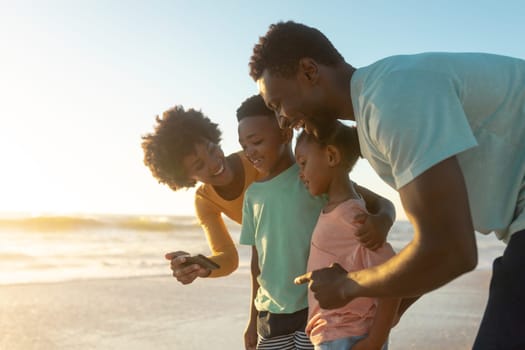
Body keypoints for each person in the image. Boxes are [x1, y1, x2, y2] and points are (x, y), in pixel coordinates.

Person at [248, 20, 525, 348]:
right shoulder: (376, 113)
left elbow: (451, 250)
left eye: (278, 104)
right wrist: (391, 313)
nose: (283, 121)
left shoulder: (390, 99)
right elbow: (443, 237)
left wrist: (349, 286)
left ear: (309, 71)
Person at [141, 103, 396, 285]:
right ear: (186, 178)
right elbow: (233, 259)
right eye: (198, 166)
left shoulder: (263, 161)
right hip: (291, 283)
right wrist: (203, 266)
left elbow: (373, 201)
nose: (212, 162)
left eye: (211, 149)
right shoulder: (205, 201)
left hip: (334, 261)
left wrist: (383, 219)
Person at [294, 123, 400, 350]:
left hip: (347, 338)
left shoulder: (353, 218)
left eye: (303, 164)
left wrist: (374, 342)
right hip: (334, 335)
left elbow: (394, 281)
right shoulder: (338, 209)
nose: (300, 173)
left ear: (331, 156)